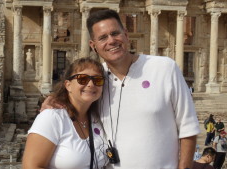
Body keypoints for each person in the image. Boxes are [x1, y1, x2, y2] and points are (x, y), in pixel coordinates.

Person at [41, 9, 200, 168]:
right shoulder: (95, 82)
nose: (111, 41)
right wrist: (53, 101)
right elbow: (73, 102)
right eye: (103, 37)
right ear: (93, 45)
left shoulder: (165, 68)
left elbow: (188, 128)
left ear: (126, 34)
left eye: (115, 33)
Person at [22, 58, 108, 169]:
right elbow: (31, 166)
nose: (91, 84)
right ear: (68, 85)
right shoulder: (52, 117)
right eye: (83, 79)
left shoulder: (99, 118)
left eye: (98, 80)